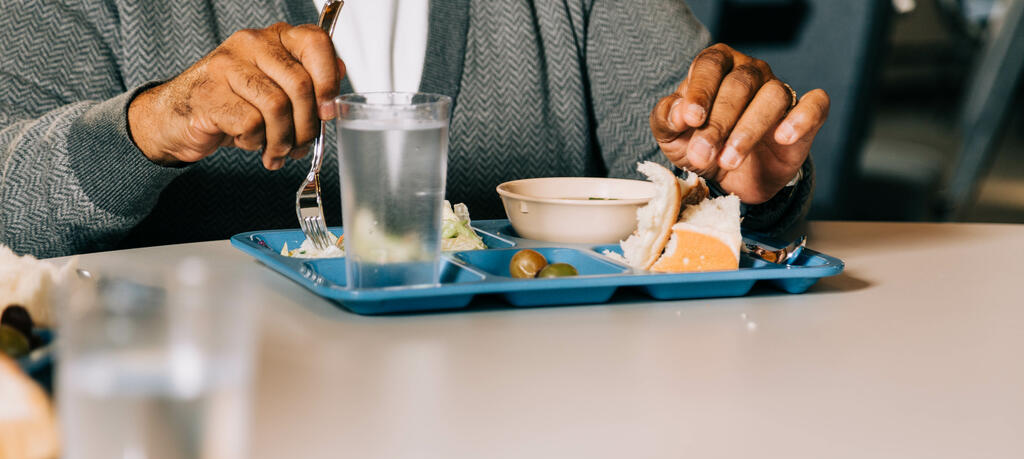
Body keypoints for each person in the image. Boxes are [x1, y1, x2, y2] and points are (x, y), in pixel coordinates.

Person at [0, 0, 828, 258]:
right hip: (217, 422)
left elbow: (698, 173)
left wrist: (738, 175)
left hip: (560, 447)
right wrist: (152, 124)